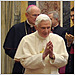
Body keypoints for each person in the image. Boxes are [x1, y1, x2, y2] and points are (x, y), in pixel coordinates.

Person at [3, 5, 41, 74]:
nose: (37, 18)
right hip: (21, 67)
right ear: (27, 15)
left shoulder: (43, 29)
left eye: (39, 15)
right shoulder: (16, 28)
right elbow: (8, 48)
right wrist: (20, 57)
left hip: (39, 66)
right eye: (34, 15)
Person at [65, 7, 74, 74]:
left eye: (74, 15)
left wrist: (73, 41)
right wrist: (68, 42)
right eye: (71, 16)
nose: (72, 18)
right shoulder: (70, 30)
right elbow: (68, 47)